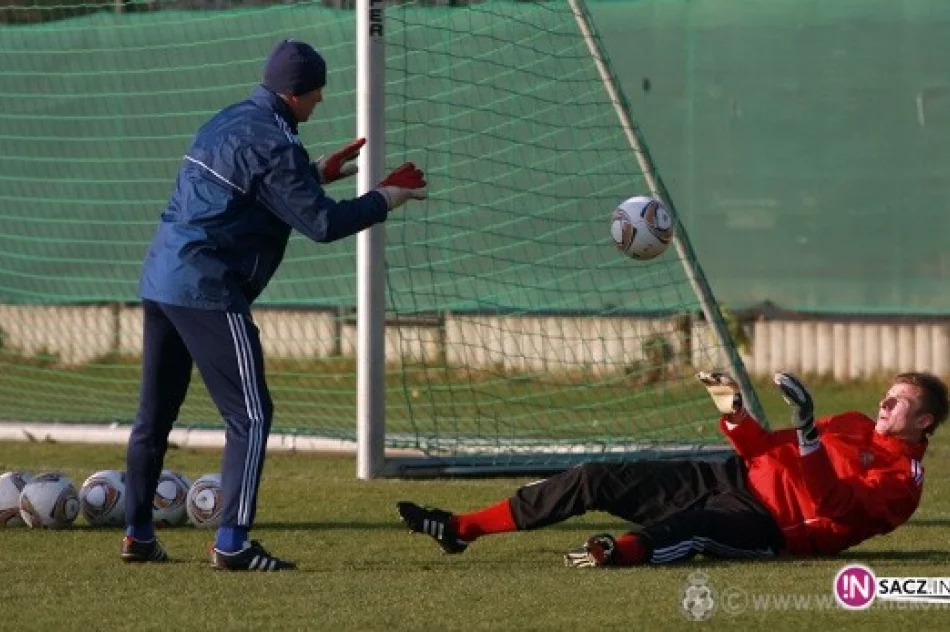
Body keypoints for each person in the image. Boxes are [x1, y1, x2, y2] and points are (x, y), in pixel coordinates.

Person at [122, 38, 427, 571]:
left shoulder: (230, 118)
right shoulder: (278, 145)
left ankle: (138, 535)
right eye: (317, 93)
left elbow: (254, 186)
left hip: (162, 276)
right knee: (252, 415)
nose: (320, 102)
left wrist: (322, 174)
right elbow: (323, 225)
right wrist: (385, 199)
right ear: (297, 93)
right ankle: (232, 543)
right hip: (208, 287)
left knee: (154, 417)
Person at [397, 370, 946, 567]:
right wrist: (732, 413)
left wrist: (806, 434)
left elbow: (829, 506)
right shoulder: (850, 421)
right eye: (888, 393)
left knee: (689, 530)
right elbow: (766, 448)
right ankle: (461, 529)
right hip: (735, 478)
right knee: (598, 477)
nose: (885, 403)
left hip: (771, 526)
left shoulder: (904, 483)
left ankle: (614, 553)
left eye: (900, 401)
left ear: (924, 423)